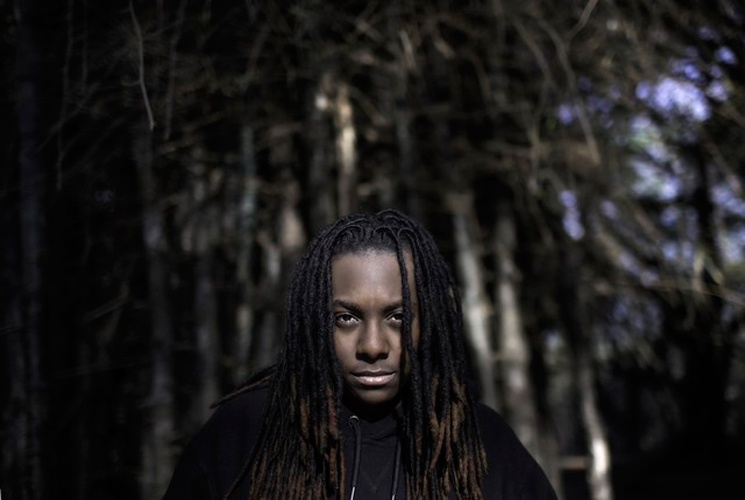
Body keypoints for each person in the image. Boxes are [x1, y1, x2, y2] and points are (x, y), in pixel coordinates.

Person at [163, 210, 557, 499]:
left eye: (398, 316)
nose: (372, 346)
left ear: (428, 321)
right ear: (315, 321)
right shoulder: (245, 431)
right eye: (347, 318)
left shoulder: (482, 442)